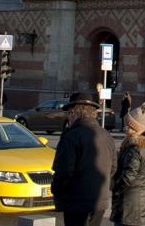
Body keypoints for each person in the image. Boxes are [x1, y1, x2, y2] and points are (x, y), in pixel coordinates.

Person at [52, 91, 116, 226]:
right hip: (100, 201)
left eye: (69, 113)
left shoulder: (71, 136)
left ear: (75, 113)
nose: (68, 118)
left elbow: (63, 172)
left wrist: (57, 190)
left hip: (77, 201)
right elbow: (113, 168)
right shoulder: (106, 135)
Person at [111, 106, 145, 226]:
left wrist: (114, 187)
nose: (125, 129)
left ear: (135, 128)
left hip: (131, 203)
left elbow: (129, 176)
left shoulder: (135, 148)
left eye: (128, 126)